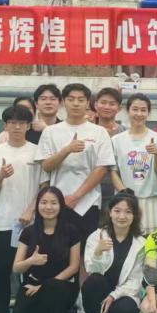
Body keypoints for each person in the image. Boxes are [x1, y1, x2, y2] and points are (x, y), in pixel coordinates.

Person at [0, 105, 43, 313]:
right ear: (5, 125)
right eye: (12, 123)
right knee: (0, 269)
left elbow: (44, 186)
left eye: (21, 123)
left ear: (28, 126)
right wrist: (1, 175)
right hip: (3, 222)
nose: (17, 127)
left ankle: (29, 312)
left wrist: (30, 210)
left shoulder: (37, 152)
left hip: (31, 222)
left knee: (32, 270)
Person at [37, 83, 115, 241]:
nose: (76, 103)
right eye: (71, 99)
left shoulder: (99, 132)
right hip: (56, 202)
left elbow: (102, 168)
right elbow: (46, 166)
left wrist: (76, 197)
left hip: (89, 202)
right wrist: (67, 150)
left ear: (88, 103)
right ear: (63, 102)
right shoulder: (50, 132)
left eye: (81, 100)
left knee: (86, 248)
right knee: (58, 247)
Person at [8, 186, 82, 313]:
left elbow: (74, 266)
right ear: (37, 205)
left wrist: (45, 286)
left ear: (61, 206)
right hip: (32, 285)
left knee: (53, 290)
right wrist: (30, 261)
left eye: (54, 203)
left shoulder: (71, 231)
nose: (48, 207)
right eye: (44, 202)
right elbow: (16, 267)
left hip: (61, 286)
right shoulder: (28, 232)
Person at [80, 192, 145, 313]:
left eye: (128, 212)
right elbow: (92, 270)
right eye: (117, 211)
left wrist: (113, 296)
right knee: (94, 281)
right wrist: (98, 252)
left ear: (134, 215)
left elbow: (136, 281)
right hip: (99, 291)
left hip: (124, 294)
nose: (122, 216)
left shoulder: (141, 243)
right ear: (110, 212)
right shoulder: (96, 236)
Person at [111, 93, 157, 235]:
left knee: (151, 241)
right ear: (127, 110)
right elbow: (113, 171)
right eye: (135, 109)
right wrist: (125, 194)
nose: (139, 114)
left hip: (151, 200)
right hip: (125, 201)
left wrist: (156, 153)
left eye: (143, 110)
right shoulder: (117, 140)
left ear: (148, 112)